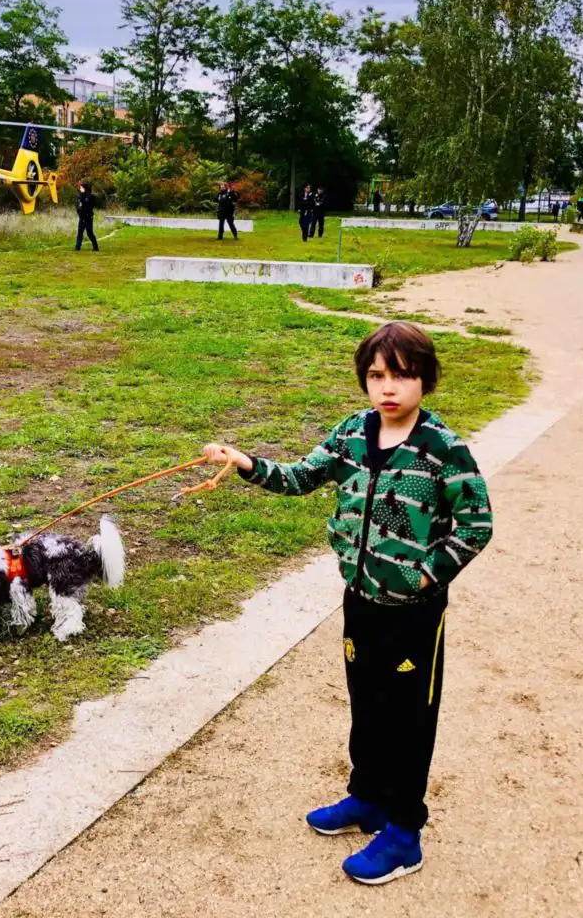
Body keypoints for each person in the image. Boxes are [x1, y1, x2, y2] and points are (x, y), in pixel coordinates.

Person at [203, 322, 492, 886]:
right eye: (377, 375)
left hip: (414, 612)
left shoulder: (443, 449)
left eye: (402, 375)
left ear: (425, 381)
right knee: (368, 702)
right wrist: (245, 463)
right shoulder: (351, 434)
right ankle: (368, 798)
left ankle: (405, 831)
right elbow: (301, 476)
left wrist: (423, 577)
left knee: (408, 717)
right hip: (359, 599)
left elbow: (476, 524)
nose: (388, 388)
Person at [75, 181, 98, 252]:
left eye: (81, 188)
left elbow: (87, 203)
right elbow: (79, 205)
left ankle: (95, 246)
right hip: (82, 217)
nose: (80, 189)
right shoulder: (81, 196)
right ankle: (77, 247)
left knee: (89, 233)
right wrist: (79, 211)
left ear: (85, 188)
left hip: (88, 217)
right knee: (80, 233)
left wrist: (82, 194)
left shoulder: (91, 197)